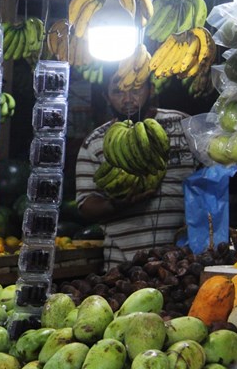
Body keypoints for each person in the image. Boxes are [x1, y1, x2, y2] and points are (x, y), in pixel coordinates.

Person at [75, 73, 197, 268]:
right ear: (106, 96)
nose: (127, 99)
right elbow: (85, 204)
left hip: (184, 258)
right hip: (123, 264)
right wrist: (117, 204)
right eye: (117, 92)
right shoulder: (95, 142)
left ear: (151, 89)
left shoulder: (181, 124)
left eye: (135, 89)